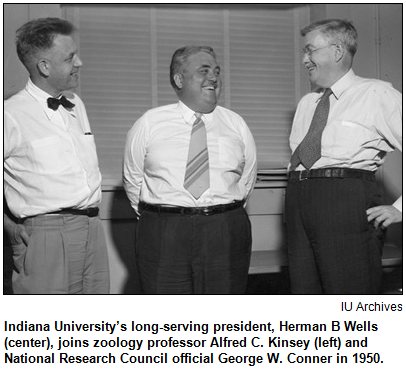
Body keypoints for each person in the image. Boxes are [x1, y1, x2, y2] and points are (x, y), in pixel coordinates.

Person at [123, 45, 257, 294]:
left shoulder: (236, 124)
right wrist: (165, 216)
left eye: (216, 71)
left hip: (224, 229)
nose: (214, 78)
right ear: (179, 79)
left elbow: (247, 179)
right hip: (164, 232)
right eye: (203, 71)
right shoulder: (149, 123)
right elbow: (132, 180)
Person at [285, 19, 402, 294]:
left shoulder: (377, 93)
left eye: (310, 50)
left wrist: (401, 209)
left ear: (337, 51)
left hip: (345, 202)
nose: (304, 59)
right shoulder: (307, 103)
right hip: (298, 199)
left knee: (349, 293)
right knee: (304, 294)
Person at [4, 17, 110, 294]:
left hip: (92, 229)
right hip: (46, 236)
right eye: (70, 57)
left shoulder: (76, 103)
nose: (80, 63)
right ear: (44, 66)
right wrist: (9, 227)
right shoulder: (10, 114)